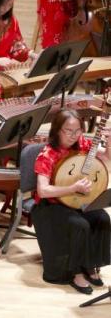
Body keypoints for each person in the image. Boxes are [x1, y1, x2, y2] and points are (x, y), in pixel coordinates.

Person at [33, 109, 110, 294]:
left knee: (103, 219)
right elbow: (42, 191)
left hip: (76, 200)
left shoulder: (82, 143)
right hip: (51, 205)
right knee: (79, 225)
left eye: (77, 131)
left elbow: (107, 159)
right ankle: (76, 273)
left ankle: (90, 265)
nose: (73, 136)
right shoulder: (47, 154)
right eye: (68, 131)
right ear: (57, 130)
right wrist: (72, 188)